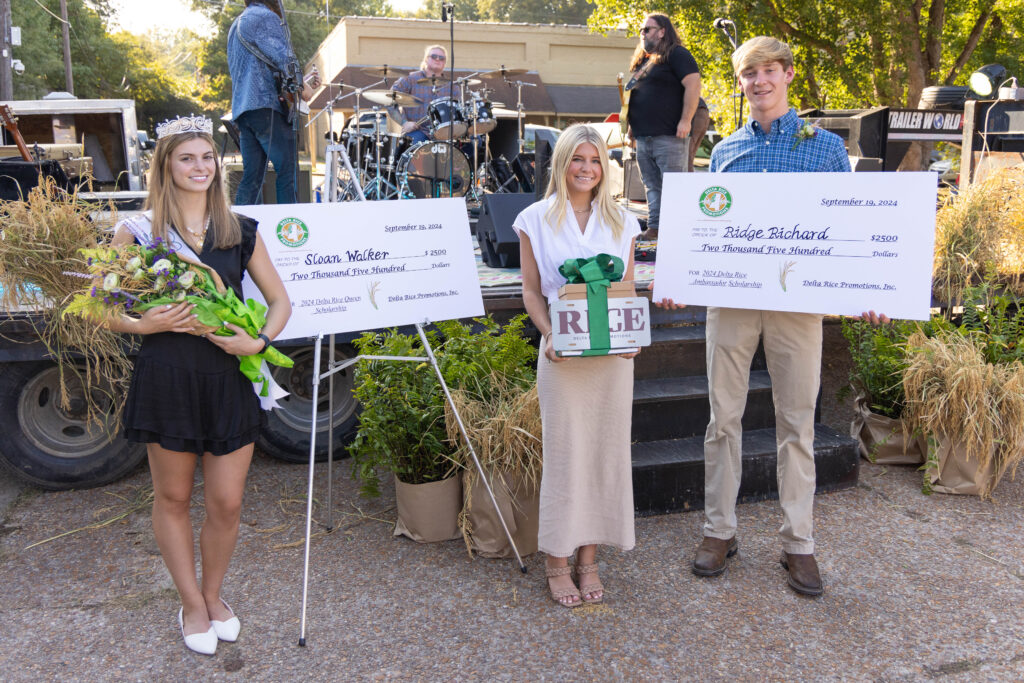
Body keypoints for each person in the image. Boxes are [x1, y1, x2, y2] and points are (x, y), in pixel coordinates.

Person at [105, 114, 292, 654]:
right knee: (172, 494)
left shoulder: (239, 230)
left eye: (207, 157)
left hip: (228, 378)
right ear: (164, 165)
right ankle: (190, 603)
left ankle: (214, 595)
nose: (200, 167)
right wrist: (144, 323)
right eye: (187, 158)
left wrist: (258, 343)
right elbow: (98, 305)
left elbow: (280, 302)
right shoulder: (138, 232)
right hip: (167, 378)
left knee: (228, 502)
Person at [685, 37, 852, 597]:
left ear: (787, 75)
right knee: (722, 418)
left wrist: (863, 285)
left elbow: (845, 230)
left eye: (768, 71)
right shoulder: (725, 150)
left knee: (797, 422)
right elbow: (708, 229)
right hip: (731, 300)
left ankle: (798, 542)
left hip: (797, 303)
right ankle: (718, 531)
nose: (758, 81)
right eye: (748, 73)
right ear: (740, 83)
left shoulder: (825, 148)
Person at [513, 124, 641, 608]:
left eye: (595, 161)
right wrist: (549, 334)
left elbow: (626, 291)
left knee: (605, 455)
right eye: (577, 159)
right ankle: (557, 562)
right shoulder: (534, 218)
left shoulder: (624, 222)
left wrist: (632, 340)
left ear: (605, 168)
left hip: (612, 362)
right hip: (562, 357)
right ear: (562, 162)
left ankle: (590, 560)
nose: (586, 169)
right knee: (567, 458)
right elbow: (530, 289)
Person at [227, 0, 319, 205]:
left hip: (244, 109)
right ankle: (289, 231)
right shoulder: (265, 17)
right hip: (267, 106)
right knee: (287, 172)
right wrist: (304, 89)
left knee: (252, 178)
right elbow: (285, 59)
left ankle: (242, 230)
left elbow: (258, 67)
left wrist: (300, 83)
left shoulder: (237, 24)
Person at [625, 13, 702, 240]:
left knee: (674, 187)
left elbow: (693, 85)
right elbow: (637, 96)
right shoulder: (644, 61)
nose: (643, 33)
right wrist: (632, 127)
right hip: (644, 136)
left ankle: (679, 233)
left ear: (662, 31)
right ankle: (655, 229)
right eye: (641, 30)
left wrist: (686, 120)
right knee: (651, 186)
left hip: (669, 135)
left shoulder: (677, 54)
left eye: (647, 29)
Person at [389, 44, 457, 143]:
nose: (437, 59)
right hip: (418, 131)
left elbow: (459, 112)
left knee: (473, 143)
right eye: (434, 56)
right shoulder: (410, 79)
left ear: (445, 63)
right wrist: (403, 123)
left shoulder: (453, 86)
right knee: (415, 144)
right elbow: (389, 99)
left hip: (445, 133)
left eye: (441, 58)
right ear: (426, 59)